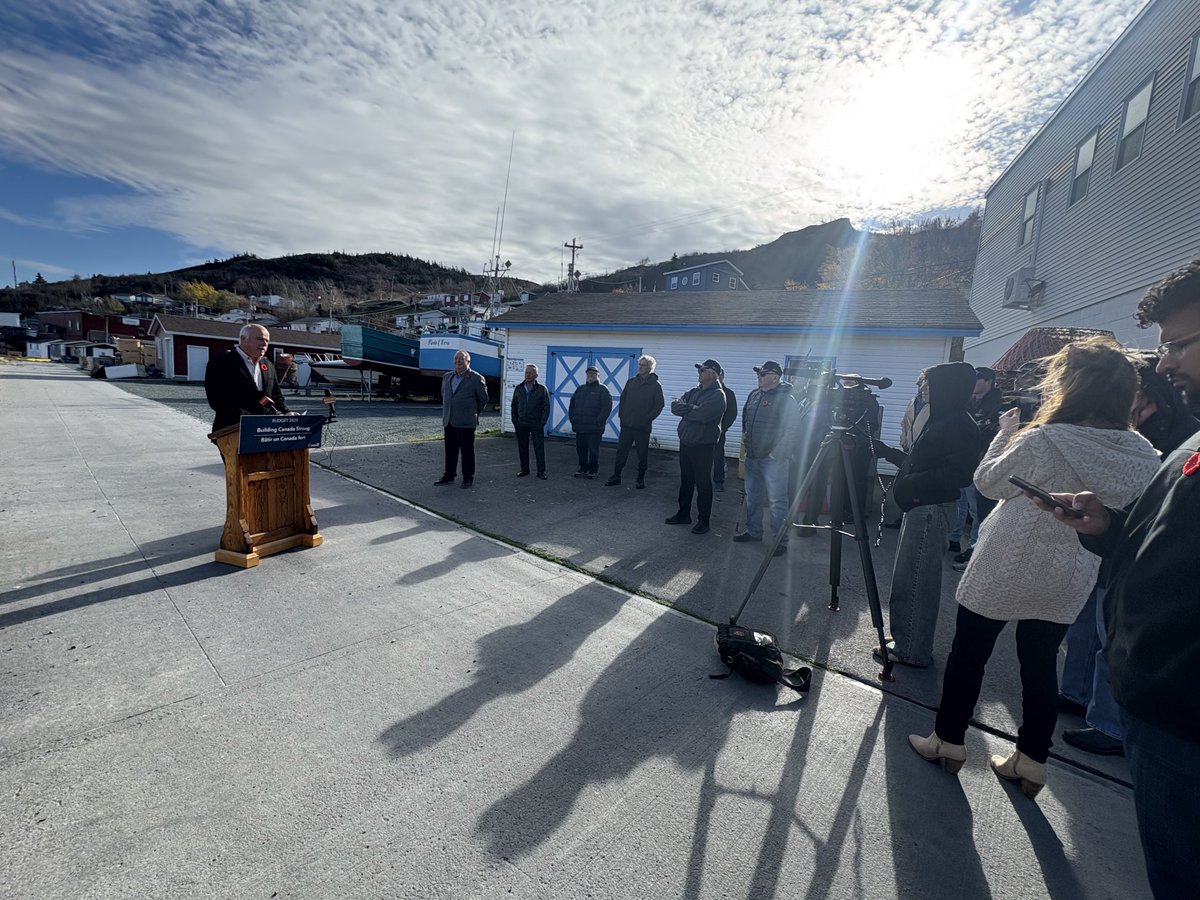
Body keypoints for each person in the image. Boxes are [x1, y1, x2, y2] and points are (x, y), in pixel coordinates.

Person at [908, 338, 1159, 802]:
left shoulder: (1044, 438)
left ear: (1070, 386)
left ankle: (948, 741)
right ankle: (1032, 760)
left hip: (1008, 560)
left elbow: (987, 482)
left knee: (970, 655)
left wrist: (1005, 435)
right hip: (1072, 570)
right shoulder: (1142, 454)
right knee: (1040, 665)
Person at [1023, 263, 1200, 898]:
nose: (1166, 362)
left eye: (1181, 344)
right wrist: (1105, 526)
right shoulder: (1189, 445)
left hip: (1185, 724)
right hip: (1155, 712)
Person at [1060, 356, 1200, 757]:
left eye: (1140, 397)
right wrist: (1106, 524)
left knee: (1110, 641)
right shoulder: (1146, 431)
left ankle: (1108, 725)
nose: (1133, 404)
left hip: (1147, 576)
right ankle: (1076, 694)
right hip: (1114, 550)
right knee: (1085, 631)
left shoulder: (1177, 435)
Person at [871, 362, 979, 667]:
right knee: (908, 578)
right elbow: (921, 462)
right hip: (921, 507)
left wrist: (913, 484)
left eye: (928, 384)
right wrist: (888, 453)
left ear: (948, 387)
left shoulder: (959, 423)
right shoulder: (941, 419)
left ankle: (911, 650)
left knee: (917, 579)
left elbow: (959, 474)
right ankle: (907, 639)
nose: (923, 389)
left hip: (930, 509)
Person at [733, 361, 798, 556]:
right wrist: (747, 445)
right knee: (753, 497)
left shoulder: (787, 400)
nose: (759, 377)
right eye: (759, 374)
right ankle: (754, 532)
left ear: (775, 377)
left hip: (774, 460)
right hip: (753, 457)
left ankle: (780, 541)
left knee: (777, 501)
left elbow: (793, 430)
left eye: (763, 374)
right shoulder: (754, 395)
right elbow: (746, 420)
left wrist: (776, 453)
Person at [948, 367, 1003, 564]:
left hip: (981, 463)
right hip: (964, 460)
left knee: (976, 509)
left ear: (988, 381)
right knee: (960, 503)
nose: (973, 383)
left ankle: (974, 548)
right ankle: (954, 539)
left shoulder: (997, 404)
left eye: (977, 379)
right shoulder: (970, 401)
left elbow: (992, 434)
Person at [666, 359, 726, 535]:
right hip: (686, 442)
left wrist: (688, 409)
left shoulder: (718, 395)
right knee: (686, 481)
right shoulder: (694, 391)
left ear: (713, 374)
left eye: (703, 369)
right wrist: (691, 408)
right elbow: (675, 406)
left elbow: (703, 415)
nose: (699, 372)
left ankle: (704, 520)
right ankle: (683, 514)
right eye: (699, 369)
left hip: (703, 445)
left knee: (703, 483)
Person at [204, 323, 289, 431]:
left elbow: (276, 394)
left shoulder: (268, 364)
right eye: (259, 339)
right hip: (232, 430)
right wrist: (250, 418)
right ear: (243, 339)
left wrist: (287, 412)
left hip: (265, 429)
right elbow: (218, 401)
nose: (264, 343)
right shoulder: (220, 362)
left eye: (267, 341)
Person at [606, 355, 665, 489]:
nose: (640, 367)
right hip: (627, 424)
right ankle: (616, 476)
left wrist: (647, 418)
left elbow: (659, 405)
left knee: (642, 454)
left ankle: (640, 478)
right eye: (640, 364)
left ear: (650, 368)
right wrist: (623, 416)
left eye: (643, 365)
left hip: (643, 427)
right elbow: (623, 400)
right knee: (621, 451)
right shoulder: (631, 382)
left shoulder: (655, 385)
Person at [435, 350, 489, 488]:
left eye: (461, 359)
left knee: (467, 451)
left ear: (468, 362)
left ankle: (468, 477)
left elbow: (483, 399)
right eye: (456, 359)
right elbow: (445, 396)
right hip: (449, 420)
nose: (458, 361)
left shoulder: (476, 378)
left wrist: (473, 412)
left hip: (466, 422)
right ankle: (449, 475)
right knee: (450, 450)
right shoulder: (447, 377)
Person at [568, 364, 612, 478]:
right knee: (581, 449)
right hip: (580, 426)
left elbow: (606, 408)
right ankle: (583, 468)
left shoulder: (603, 389)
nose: (590, 375)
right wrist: (573, 420)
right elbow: (572, 406)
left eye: (593, 373)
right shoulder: (580, 389)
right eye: (589, 373)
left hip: (594, 428)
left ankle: (593, 470)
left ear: (598, 375)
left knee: (593, 450)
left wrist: (598, 421)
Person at [511, 363, 550, 480]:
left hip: (536, 423)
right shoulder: (519, 388)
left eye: (531, 373)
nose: (528, 375)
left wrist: (542, 422)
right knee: (522, 447)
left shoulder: (542, 389)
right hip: (521, 423)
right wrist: (515, 421)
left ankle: (541, 471)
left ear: (536, 375)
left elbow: (546, 407)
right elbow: (514, 406)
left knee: (539, 448)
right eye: (526, 372)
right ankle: (524, 469)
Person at [711, 364, 738, 493]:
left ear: (722, 376)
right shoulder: (702, 391)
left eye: (719, 375)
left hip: (719, 431)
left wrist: (723, 427)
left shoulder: (729, 394)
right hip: (703, 431)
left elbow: (732, 413)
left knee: (718, 456)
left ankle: (719, 481)